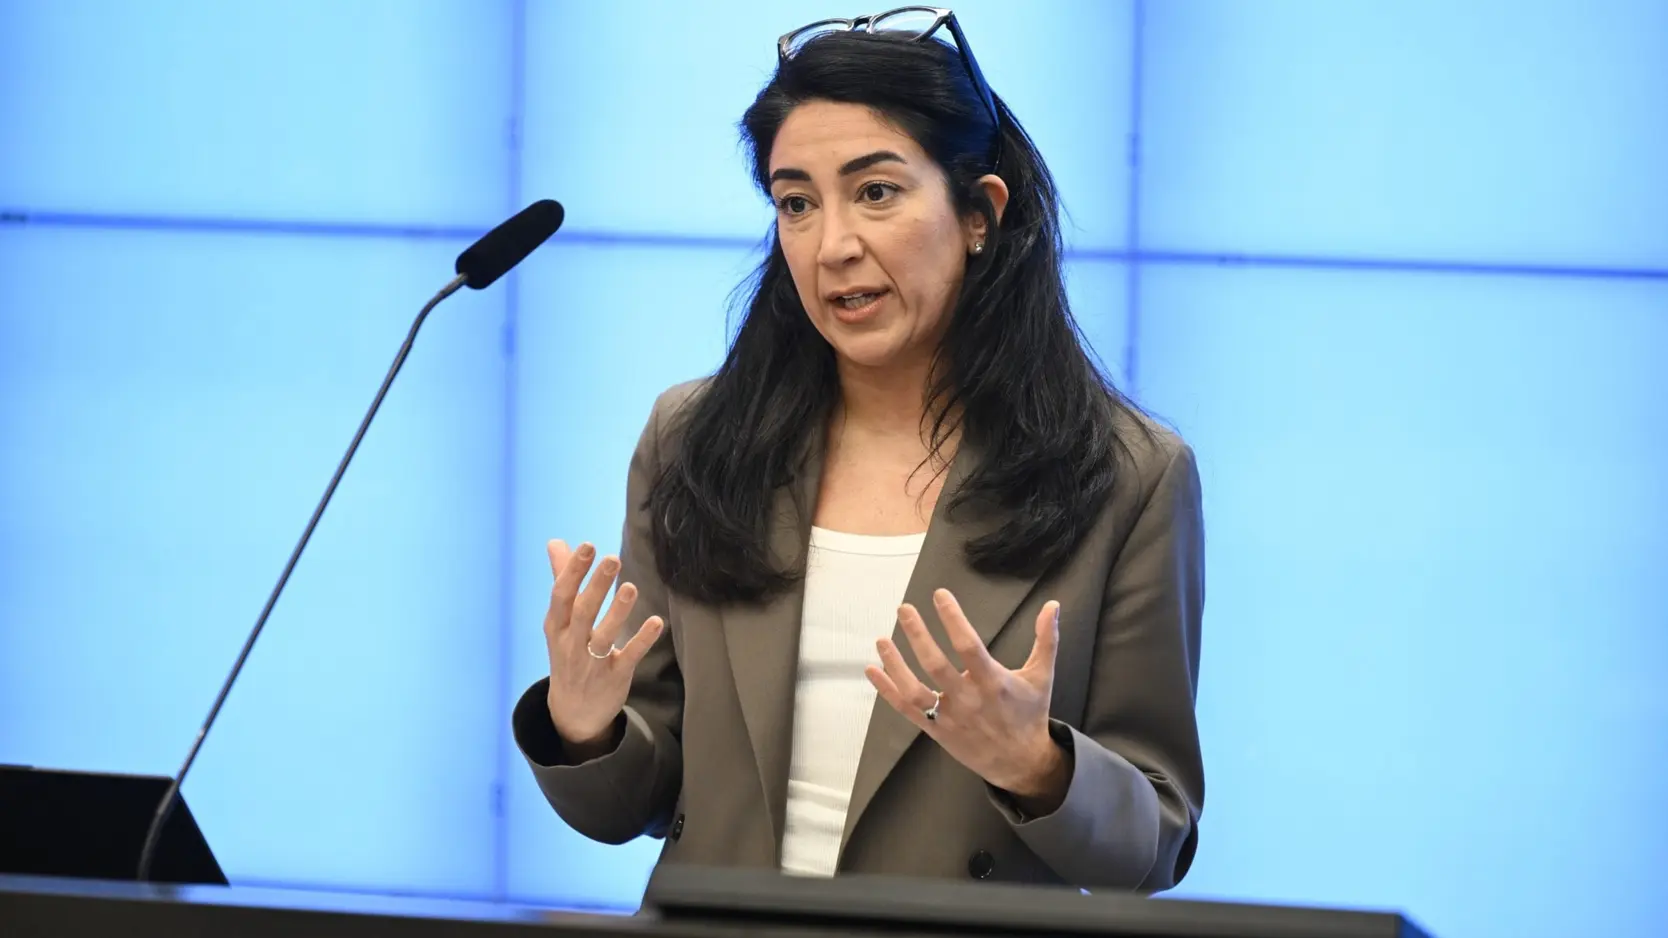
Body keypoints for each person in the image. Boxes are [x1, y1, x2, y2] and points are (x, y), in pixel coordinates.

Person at [512, 7, 1204, 892]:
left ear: (980, 213)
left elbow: (1156, 841)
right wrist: (585, 728)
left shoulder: (1128, 475)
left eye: (876, 192)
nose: (832, 245)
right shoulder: (693, 440)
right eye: (796, 203)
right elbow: (636, 801)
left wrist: (1038, 767)